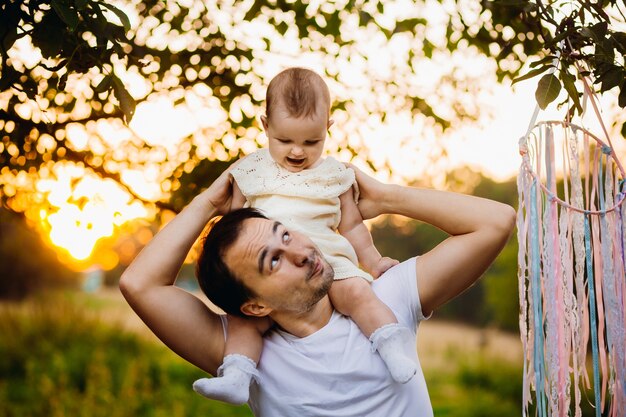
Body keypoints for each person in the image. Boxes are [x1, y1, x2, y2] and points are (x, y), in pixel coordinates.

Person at [119, 161, 516, 417]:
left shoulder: (383, 298)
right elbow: (139, 284)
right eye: (272, 260)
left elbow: (496, 221)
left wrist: (385, 197)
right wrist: (207, 202)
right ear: (254, 306)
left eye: (286, 234)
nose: (300, 252)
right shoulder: (243, 354)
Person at [191, 67, 415, 405]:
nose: (298, 152)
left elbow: (351, 226)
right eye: (285, 141)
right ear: (265, 126)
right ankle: (237, 374)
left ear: (329, 127)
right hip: (271, 274)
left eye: (312, 142)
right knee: (244, 323)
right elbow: (236, 224)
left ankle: (390, 344)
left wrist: (371, 260)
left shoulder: (335, 175)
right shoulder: (251, 171)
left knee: (357, 293)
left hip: (329, 261)